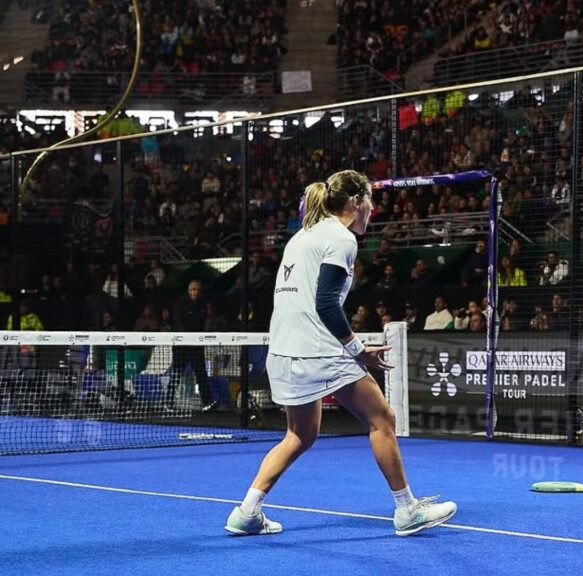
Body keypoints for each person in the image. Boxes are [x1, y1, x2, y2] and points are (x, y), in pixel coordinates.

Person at [225, 171, 456, 537]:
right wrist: (358, 351)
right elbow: (326, 304)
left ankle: (246, 512)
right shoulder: (341, 238)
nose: (373, 210)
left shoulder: (302, 236)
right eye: (370, 202)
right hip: (319, 351)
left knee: (300, 435)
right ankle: (407, 510)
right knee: (382, 419)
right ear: (355, 202)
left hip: (283, 352)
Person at [170, 280, 216, 412]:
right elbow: (178, 323)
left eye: (198, 290)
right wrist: (187, 338)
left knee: (201, 374)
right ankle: (168, 402)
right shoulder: (180, 303)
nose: (196, 292)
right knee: (176, 374)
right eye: (193, 289)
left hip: (196, 346)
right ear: (189, 290)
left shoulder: (203, 304)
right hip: (181, 346)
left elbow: (205, 322)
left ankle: (207, 403)